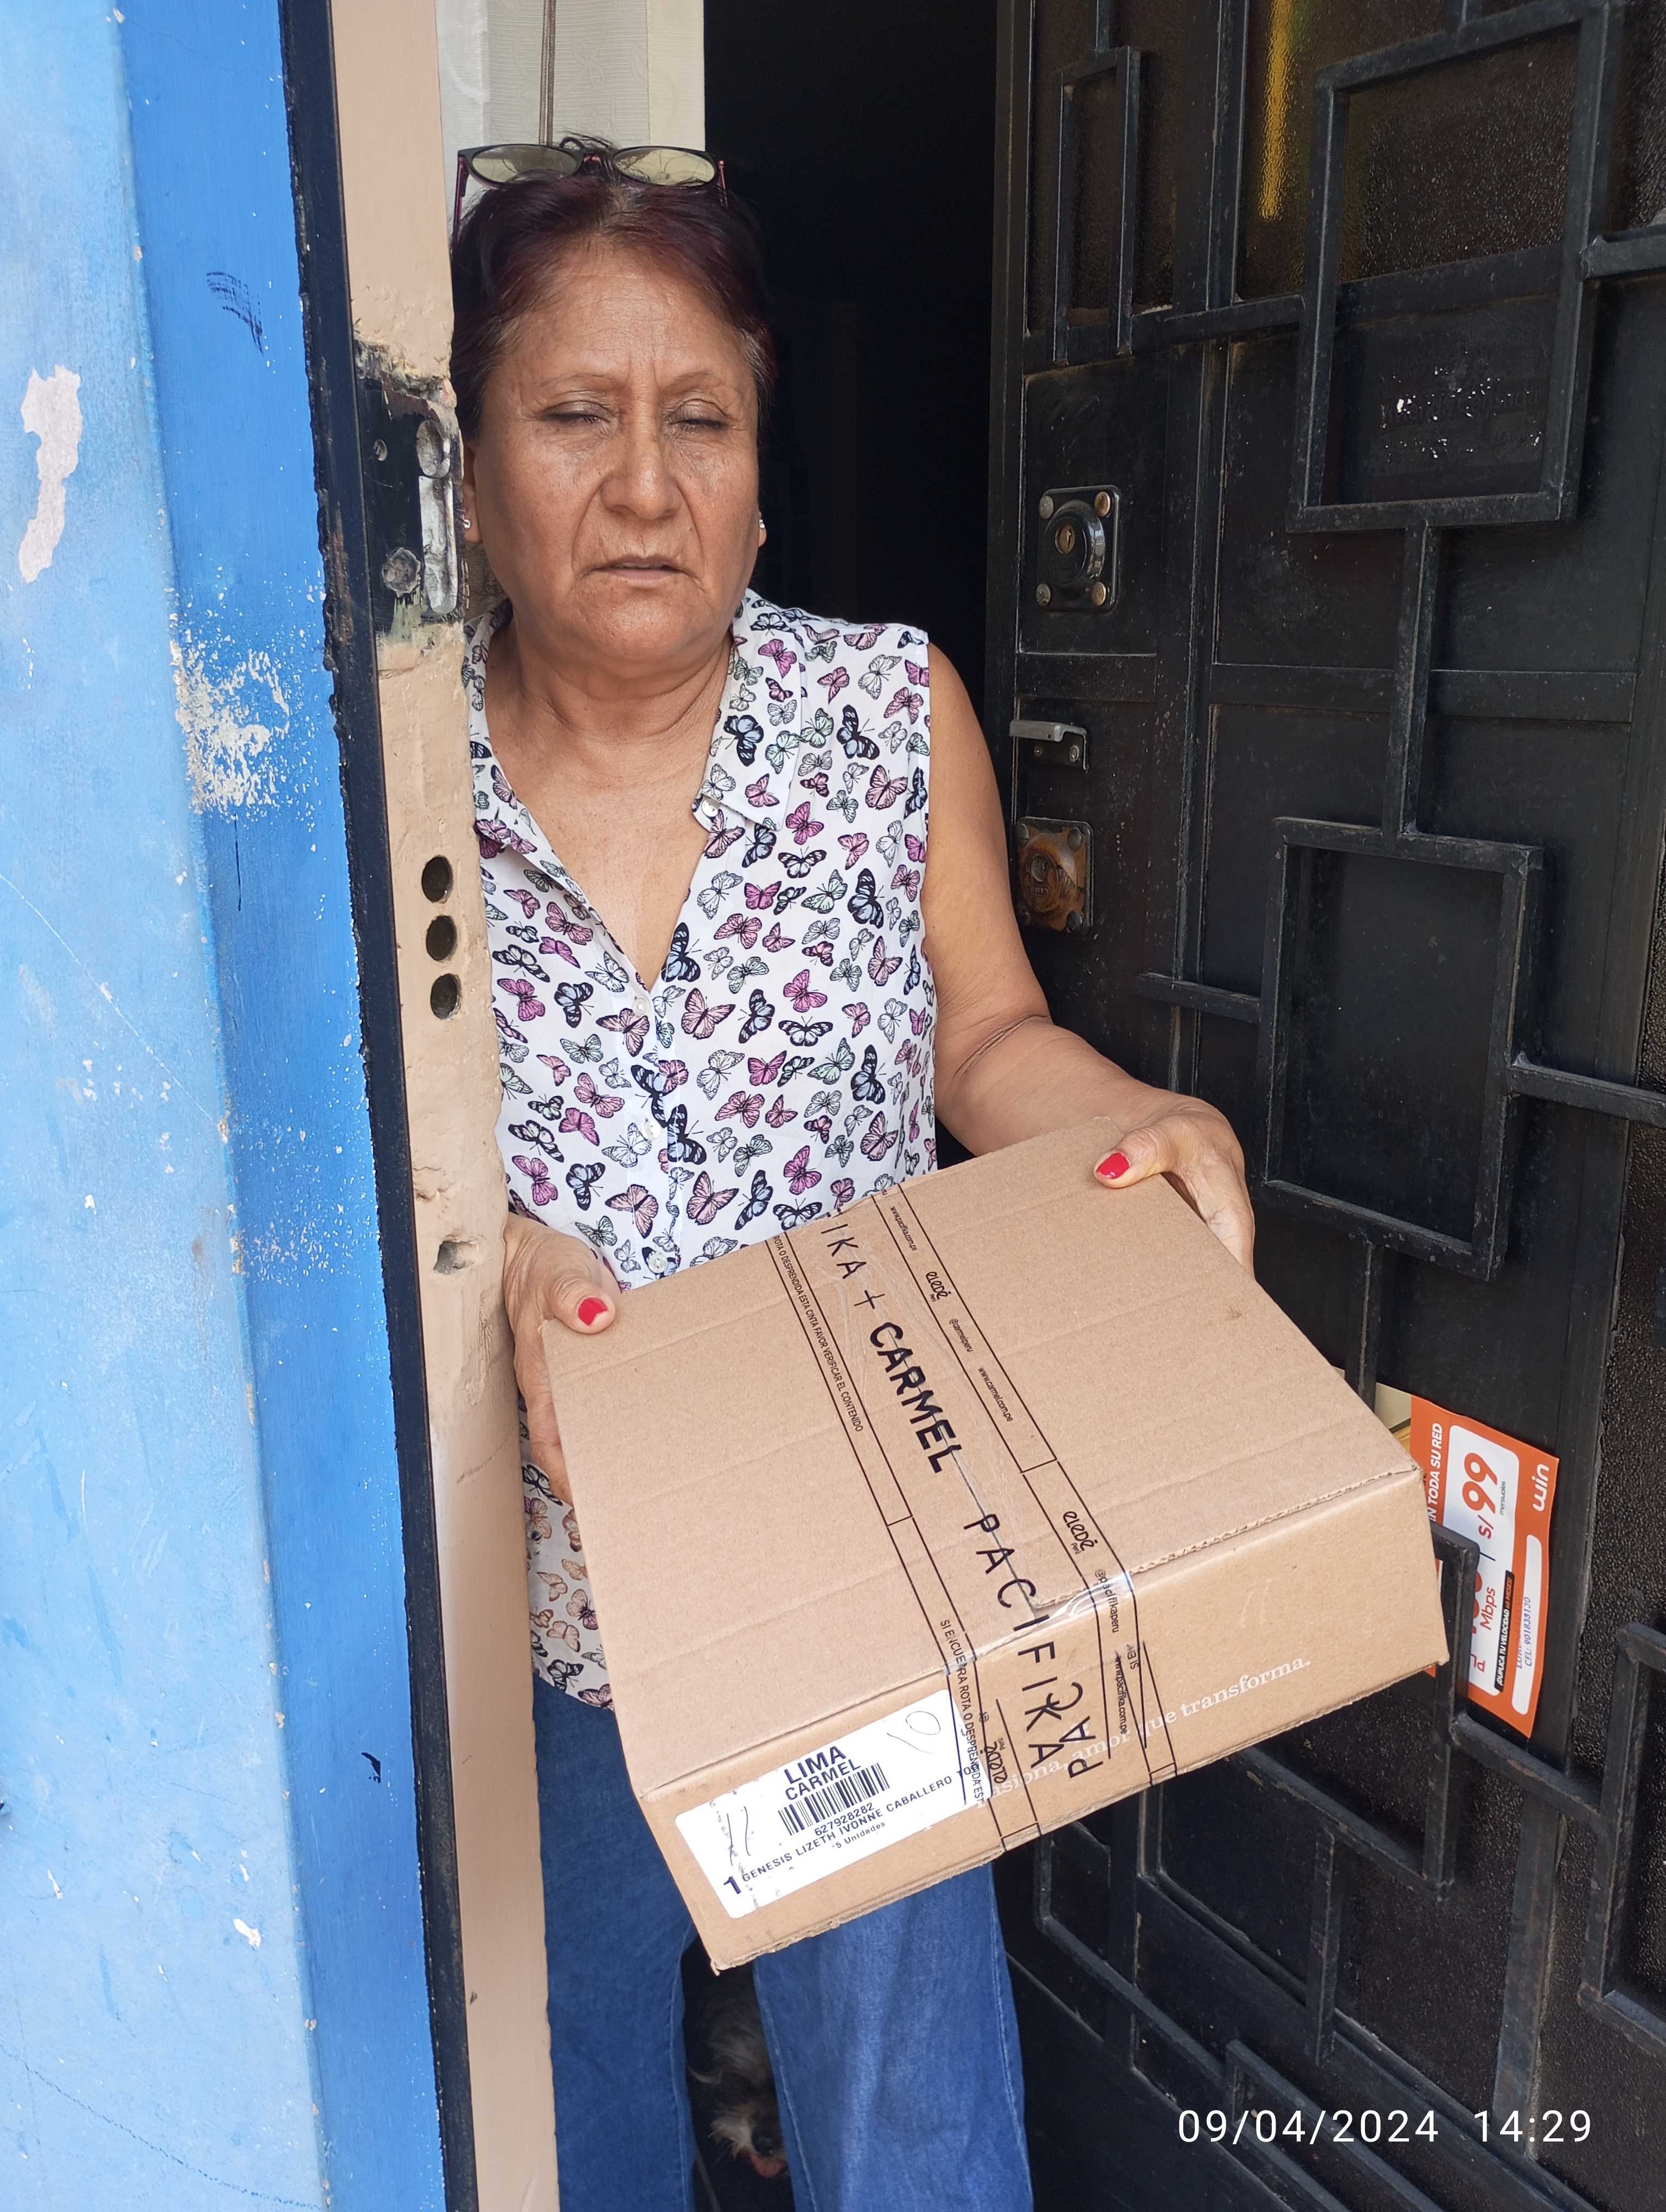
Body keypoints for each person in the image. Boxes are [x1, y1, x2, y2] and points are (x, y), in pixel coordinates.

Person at [450, 138, 1253, 2212]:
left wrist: (1124, 1123)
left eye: (701, 420)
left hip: (859, 1580)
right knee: (554, 2106)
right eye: (575, 415)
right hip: (522, 1605)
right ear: (471, 470)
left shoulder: (882, 713)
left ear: (759, 473)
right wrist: (503, 1262)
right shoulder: (397, 773)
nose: (647, 484)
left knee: (910, 2116)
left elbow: (985, 1041)